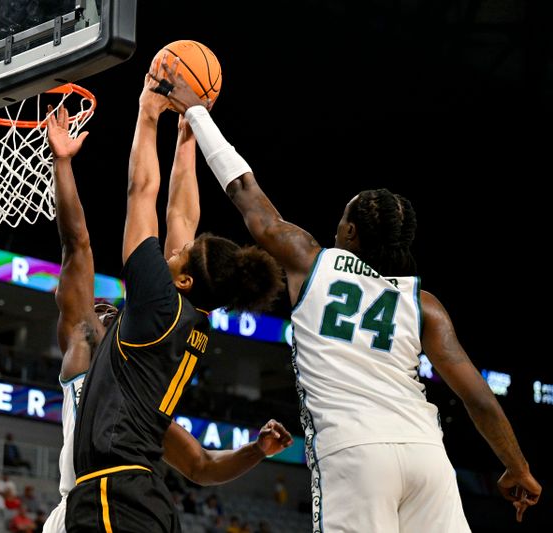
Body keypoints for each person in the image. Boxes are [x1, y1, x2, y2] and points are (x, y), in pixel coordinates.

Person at [157, 60, 544, 531]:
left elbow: (244, 191)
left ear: (352, 231)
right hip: (426, 455)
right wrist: (517, 466)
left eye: (342, 217)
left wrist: (197, 113)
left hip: (355, 453)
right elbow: (478, 399)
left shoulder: (311, 261)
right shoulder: (423, 304)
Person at [45, 91, 286, 533]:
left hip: (109, 496)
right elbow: (199, 465)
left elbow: (84, 238)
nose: (175, 252)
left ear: (185, 281)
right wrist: (187, 136)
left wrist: (145, 113)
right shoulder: (155, 360)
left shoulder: (143, 321)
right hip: (128, 495)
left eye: (183, 256)